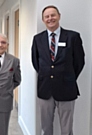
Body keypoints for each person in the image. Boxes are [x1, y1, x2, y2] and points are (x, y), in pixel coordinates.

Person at [31, 5, 85, 135]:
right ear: (43, 19)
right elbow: (36, 62)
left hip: (67, 88)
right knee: (46, 127)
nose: (50, 18)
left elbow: (79, 62)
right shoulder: (38, 39)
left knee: (67, 128)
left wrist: (68, 77)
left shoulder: (73, 37)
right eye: (47, 16)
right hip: (45, 89)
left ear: (59, 16)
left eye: (53, 15)